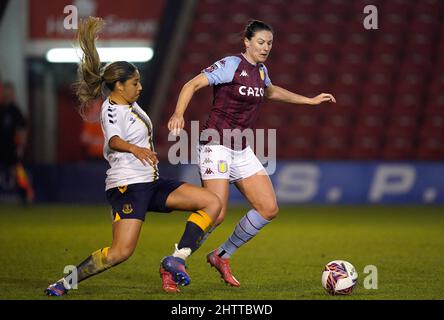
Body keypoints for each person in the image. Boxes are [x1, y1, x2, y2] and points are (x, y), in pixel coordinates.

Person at [44, 16, 222, 296]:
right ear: (118, 86)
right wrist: (135, 149)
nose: (140, 87)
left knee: (211, 202)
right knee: (120, 252)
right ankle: (65, 282)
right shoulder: (111, 109)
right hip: (127, 186)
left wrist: (148, 149)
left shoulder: (130, 105)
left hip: (149, 181)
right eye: (135, 83)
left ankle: (175, 260)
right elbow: (114, 140)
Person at [168, 20, 336, 287]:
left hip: (241, 148)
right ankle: (176, 260)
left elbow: (270, 91)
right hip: (216, 144)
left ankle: (221, 255)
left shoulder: (260, 71)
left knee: (268, 208)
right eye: (261, 42)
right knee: (217, 212)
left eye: (269, 43)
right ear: (246, 42)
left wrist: (309, 100)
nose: (266, 47)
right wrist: (178, 113)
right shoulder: (230, 65)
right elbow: (191, 85)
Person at [0, 81, 34, 204]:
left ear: (12, 93)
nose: (7, 93)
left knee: (16, 171)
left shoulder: (15, 111)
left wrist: (21, 146)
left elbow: (22, 130)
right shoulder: (1, 109)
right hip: (1, 146)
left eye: (9, 91)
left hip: (11, 147)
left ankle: (27, 194)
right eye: (5, 91)